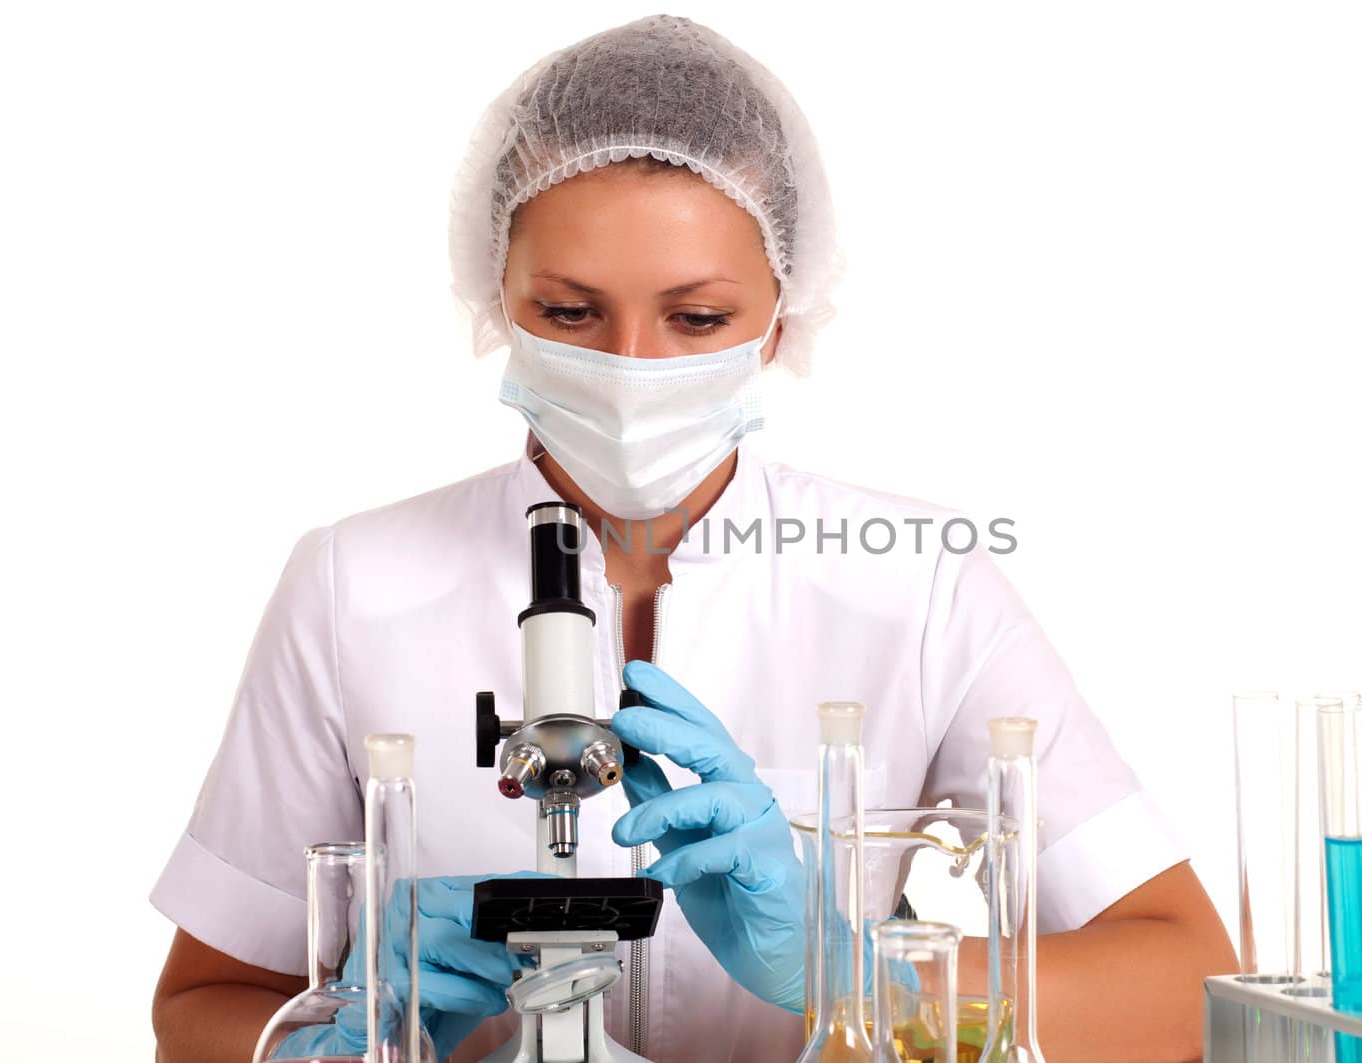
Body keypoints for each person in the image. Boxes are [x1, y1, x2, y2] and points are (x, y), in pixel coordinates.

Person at [150, 14, 1236, 1063]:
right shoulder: (355, 584)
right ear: (496, 296)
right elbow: (199, 1006)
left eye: (698, 318)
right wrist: (327, 1041)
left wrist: (854, 972)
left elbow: (1182, 983)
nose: (632, 366)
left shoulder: (921, 585)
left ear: (784, 310)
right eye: (570, 313)